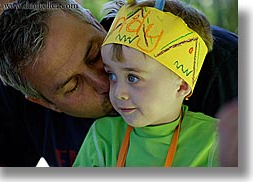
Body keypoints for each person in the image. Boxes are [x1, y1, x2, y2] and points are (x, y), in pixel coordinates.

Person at [0, 0, 237, 166]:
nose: (108, 85)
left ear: (94, 21)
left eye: (96, 55)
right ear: (44, 103)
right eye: (73, 86)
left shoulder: (220, 63)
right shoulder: (7, 95)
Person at [73, 0, 219, 167]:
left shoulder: (217, 140)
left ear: (182, 86)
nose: (118, 92)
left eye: (133, 78)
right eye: (112, 75)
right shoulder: (102, 137)